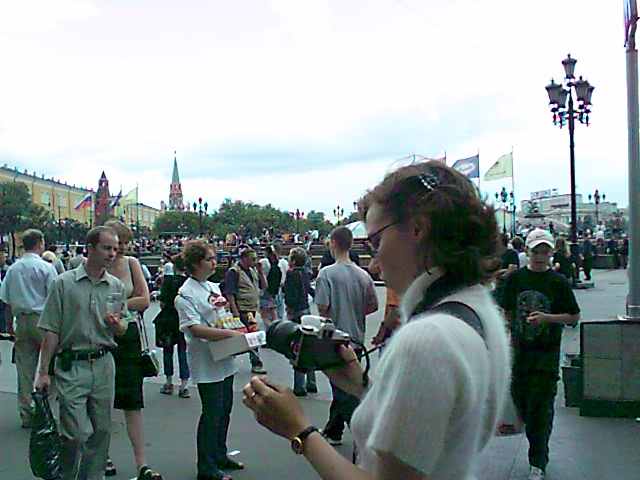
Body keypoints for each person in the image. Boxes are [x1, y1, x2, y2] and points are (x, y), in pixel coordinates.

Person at [242, 161, 512, 480]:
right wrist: (362, 385)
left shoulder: (426, 339)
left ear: (418, 229)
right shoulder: (480, 310)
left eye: (375, 242)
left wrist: (298, 429)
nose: (373, 261)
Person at [34, 226, 128, 480]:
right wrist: (43, 372)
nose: (112, 254)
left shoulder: (116, 286)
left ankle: (92, 476)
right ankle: (67, 474)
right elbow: (51, 330)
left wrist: (117, 325)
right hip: (72, 364)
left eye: (115, 249)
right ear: (90, 248)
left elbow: (123, 327)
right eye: (106, 248)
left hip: (103, 362)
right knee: (73, 434)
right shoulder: (63, 284)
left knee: (102, 430)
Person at [500, 228, 580, 480]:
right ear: (528, 251)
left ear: (551, 253)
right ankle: (533, 444)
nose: (540, 256)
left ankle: (538, 461)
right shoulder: (515, 280)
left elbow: (573, 316)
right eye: (536, 251)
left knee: (541, 410)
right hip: (518, 354)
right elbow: (505, 309)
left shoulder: (558, 283)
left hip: (546, 357)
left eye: (545, 251)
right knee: (522, 404)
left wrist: (548, 318)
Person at [175, 241, 245, 480]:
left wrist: (238, 327)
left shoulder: (213, 287)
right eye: (209, 259)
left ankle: (219, 454)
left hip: (224, 355)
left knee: (225, 409)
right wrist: (229, 334)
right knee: (212, 413)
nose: (214, 262)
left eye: (214, 258)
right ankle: (205, 466)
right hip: (205, 360)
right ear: (195, 263)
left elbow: (222, 316)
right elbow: (194, 329)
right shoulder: (185, 294)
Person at [104, 220, 162, 480]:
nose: (123, 248)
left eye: (125, 243)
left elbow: (145, 299)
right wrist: (125, 304)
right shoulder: (96, 266)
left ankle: (142, 463)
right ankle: (103, 455)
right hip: (101, 336)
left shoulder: (131, 264)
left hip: (128, 337)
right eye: (120, 243)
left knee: (132, 401)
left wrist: (114, 306)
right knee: (101, 399)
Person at [314, 226, 379, 446]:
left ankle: (364, 434)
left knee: (343, 389)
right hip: (356, 339)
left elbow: (323, 307)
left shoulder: (326, 274)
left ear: (333, 243)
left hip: (334, 339)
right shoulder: (363, 275)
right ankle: (334, 430)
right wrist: (355, 311)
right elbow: (373, 305)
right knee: (345, 386)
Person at [0, 229, 58, 427]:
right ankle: (47, 411)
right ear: (40, 243)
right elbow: (54, 298)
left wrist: (10, 325)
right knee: (49, 365)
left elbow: (6, 301)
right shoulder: (46, 268)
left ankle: (26, 412)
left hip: (21, 320)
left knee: (24, 369)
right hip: (43, 320)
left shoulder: (13, 269)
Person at [222, 246, 267, 374]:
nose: (255, 261)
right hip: (242, 308)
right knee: (250, 336)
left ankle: (231, 360)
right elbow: (230, 293)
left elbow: (264, 286)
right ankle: (256, 362)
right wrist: (235, 311)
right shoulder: (234, 272)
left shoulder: (252, 271)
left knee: (245, 337)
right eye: (252, 259)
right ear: (244, 258)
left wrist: (261, 272)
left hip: (252, 308)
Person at [283, 247, 316, 396]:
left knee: (297, 348)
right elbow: (310, 290)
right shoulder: (306, 273)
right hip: (306, 309)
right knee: (308, 346)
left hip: (296, 311)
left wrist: (289, 308)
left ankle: (299, 385)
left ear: (294, 260)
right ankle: (311, 382)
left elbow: (290, 295)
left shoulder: (291, 274)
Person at [156, 254, 190, 397]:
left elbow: (162, 302)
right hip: (183, 320)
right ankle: (184, 385)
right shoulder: (188, 282)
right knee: (183, 352)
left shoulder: (168, 281)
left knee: (168, 351)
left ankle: (169, 382)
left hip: (168, 320)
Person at [258, 245, 281, 329]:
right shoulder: (277, 264)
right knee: (273, 313)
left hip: (265, 291)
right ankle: (277, 328)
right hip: (274, 292)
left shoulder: (264, 262)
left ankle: (272, 330)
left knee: (264, 316)